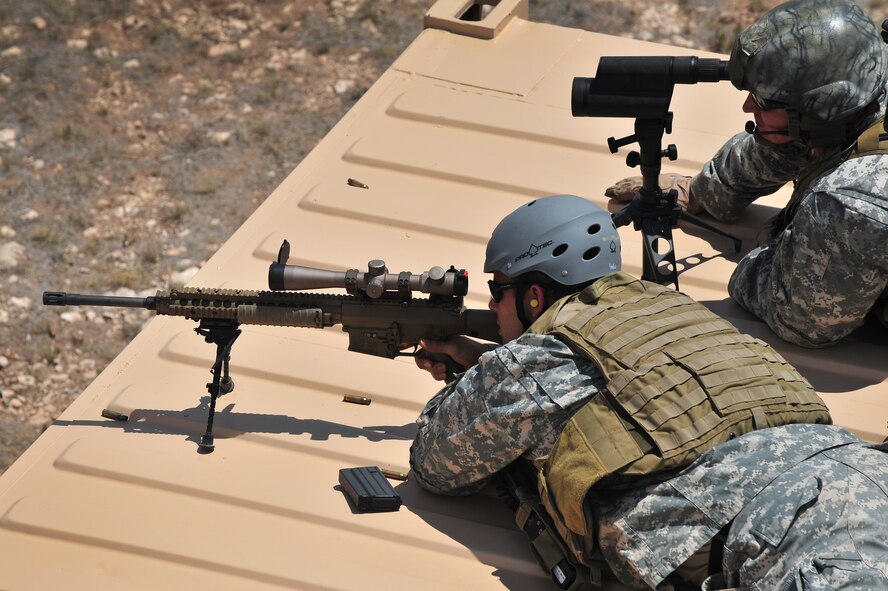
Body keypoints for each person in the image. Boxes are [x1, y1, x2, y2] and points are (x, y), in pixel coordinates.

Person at [408, 194, 888, 590]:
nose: (492, 305)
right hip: (863, 471)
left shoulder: (543, 356)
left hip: (783, 530)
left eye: (499, 289)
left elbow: (438, 464)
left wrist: (482, 375)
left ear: (535, 295)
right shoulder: (678, 311)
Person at [606, 0, 888, 348]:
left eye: (764, 102)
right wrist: (704, 192)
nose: (747, 107)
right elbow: (789, 142)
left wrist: (775, 243)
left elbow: (798, 319)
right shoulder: (864, 73)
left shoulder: (851, 203)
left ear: (819, 110)